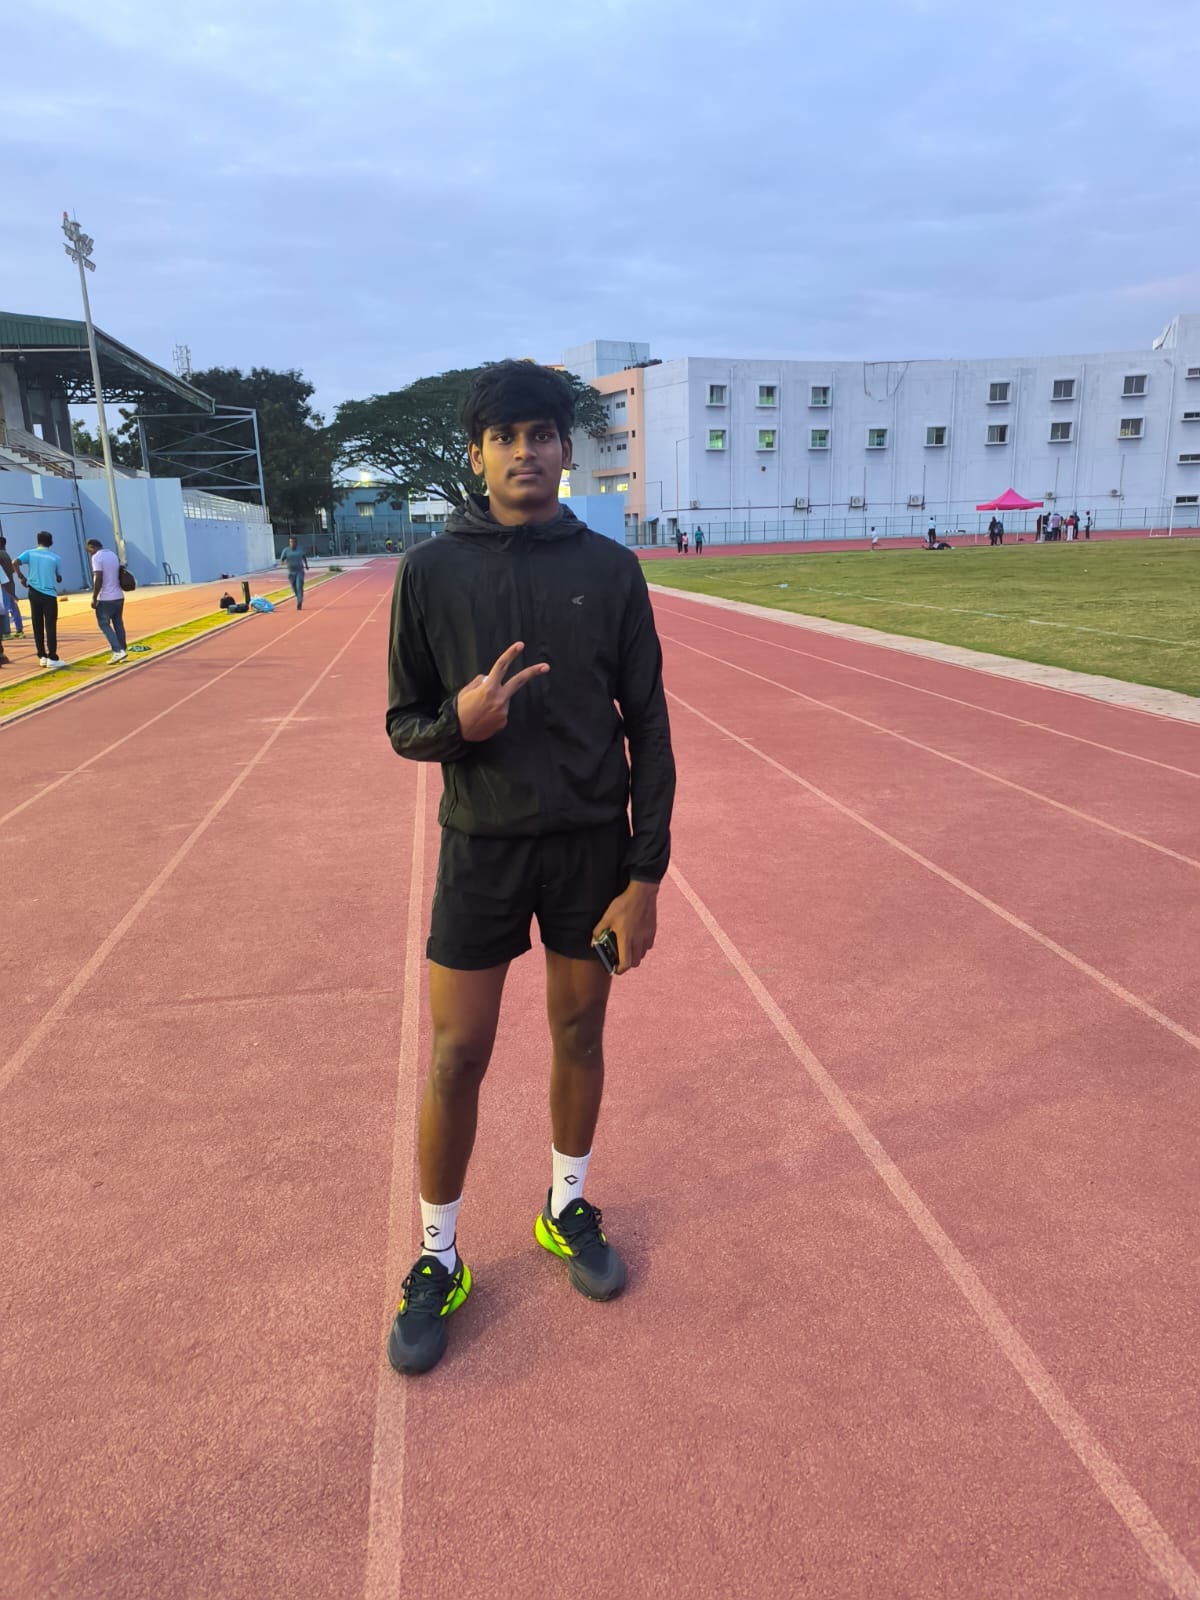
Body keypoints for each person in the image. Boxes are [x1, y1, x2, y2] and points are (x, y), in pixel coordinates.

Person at [384, 360, 676, 1377]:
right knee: (456, 1054)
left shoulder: (612, 569)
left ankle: (566, 1205)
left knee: (580, 1031)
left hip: (591, 850)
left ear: (564, 448)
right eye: (504, 437)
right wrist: (457, 726)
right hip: (482, 848)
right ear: (476, 454)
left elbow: (649, 724)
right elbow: (403, 724)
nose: (525, 452)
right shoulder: (429, 573)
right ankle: (438, 1257)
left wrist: (645, 876)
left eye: (541, 434)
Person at [15, 531, 65, 669]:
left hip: (33, 592)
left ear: (37, 541)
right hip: (49, 594)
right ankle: (52, 657)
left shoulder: (29, 553)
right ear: (51, 542)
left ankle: (42, 656)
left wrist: (21, 577)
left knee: (37, 624)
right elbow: (59, 578)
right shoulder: (56, 558)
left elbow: (15, 562)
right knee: (50, 625)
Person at [86, 539, 128, 663]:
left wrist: (94, 597)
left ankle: (117, 650)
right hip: (118, 596)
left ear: (92, 547)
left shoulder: (96, 557)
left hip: (105, 597)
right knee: (118, 623)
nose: (90, 553)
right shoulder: (112, 554)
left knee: (103, 624)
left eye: (89, 551)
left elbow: (98, 577)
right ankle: (123, 649)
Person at [0, 536, 25, 640]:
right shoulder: (6, 554)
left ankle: (6, 632)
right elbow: (11, 570)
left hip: (4, 585)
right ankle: (19, 630)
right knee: (13, 607)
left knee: (4, 608)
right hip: (10, 584)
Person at [279, 535, 309, 609]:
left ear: (296, 542)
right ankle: (298, 597)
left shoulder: (300, 549)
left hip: (300, 571)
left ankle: (299, 601)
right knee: (294, 587)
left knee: (299, 586)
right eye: (290, 542)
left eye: (293, 542)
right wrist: (286, 564)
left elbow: (304, 557)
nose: (292, 543)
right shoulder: (286, 550)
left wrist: (306, 565)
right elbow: (281, 560)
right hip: (291, 572)